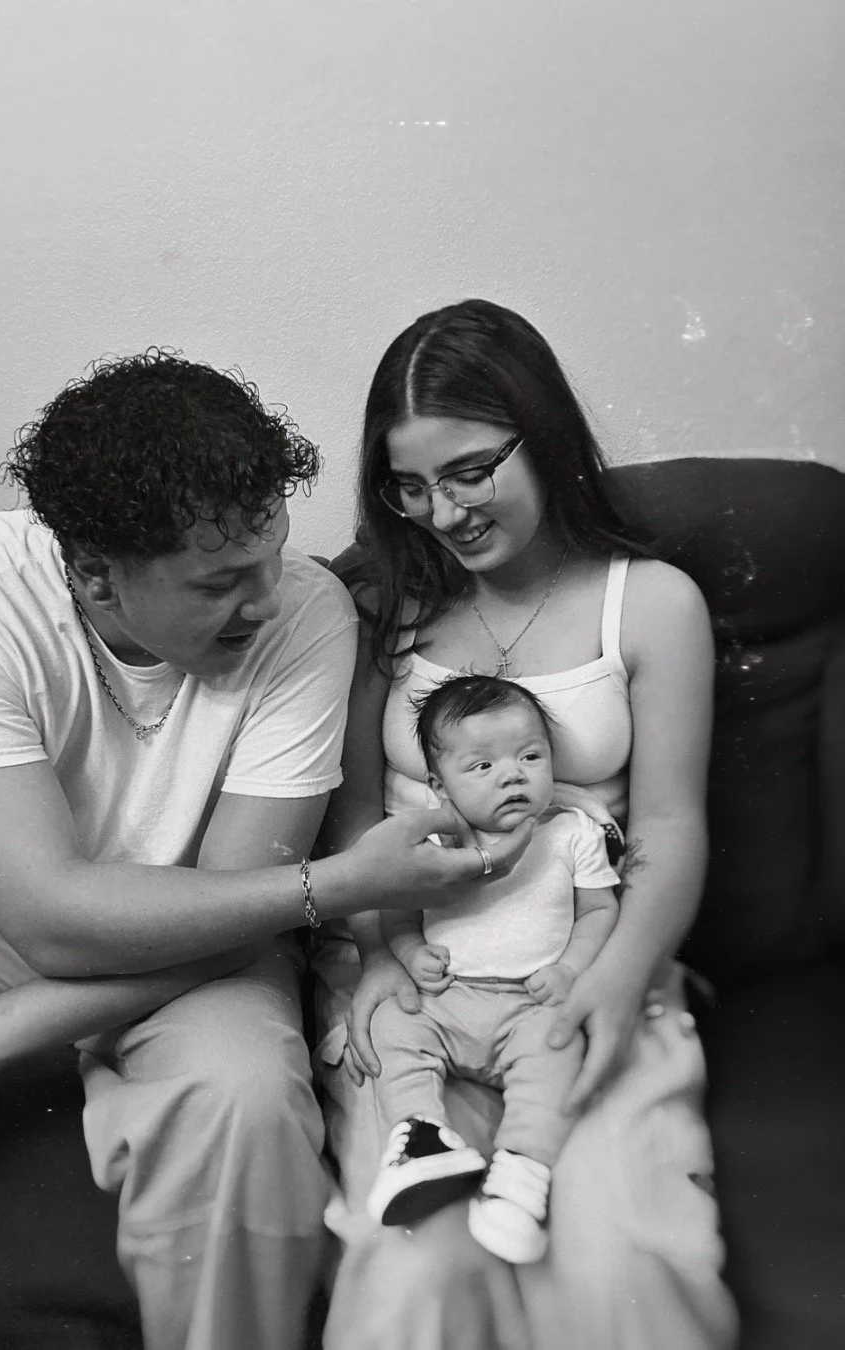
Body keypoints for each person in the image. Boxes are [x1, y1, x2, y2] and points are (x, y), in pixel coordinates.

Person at [0, 351, 501, 1350]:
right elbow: (43, 915)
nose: (265, 601)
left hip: (208, 933)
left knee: (243, 1108)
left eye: (270, 556)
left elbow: (249, 905)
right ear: (94, 572)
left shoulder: (309, 614)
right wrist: (328, 884)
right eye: (218, 583)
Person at [311, 300, 739, 1349]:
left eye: (468, 471)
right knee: (424, 1263)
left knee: (619, 1266)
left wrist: (617, 977)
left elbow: (672, 827)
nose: (443, 512)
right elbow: (360, 816)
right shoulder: (383, 610)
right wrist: (375, 962)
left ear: (541, 436)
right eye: (409, 487)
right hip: (422, 977)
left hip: (583, 958)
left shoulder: (648, 605)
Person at [363, 674, 619, 1267]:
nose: (513, 775)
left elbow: (600, 911)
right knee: (394, 1030)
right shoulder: (430, 841)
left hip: (530, 1003)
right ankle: (421, 1136)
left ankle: (521, 1175)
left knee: (556, 1053)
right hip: (446, 998)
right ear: (438, 784)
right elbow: (395, 912)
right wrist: (408, 952)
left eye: (531, 757)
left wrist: (572, 969)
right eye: (481, 766)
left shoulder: (569, 832)